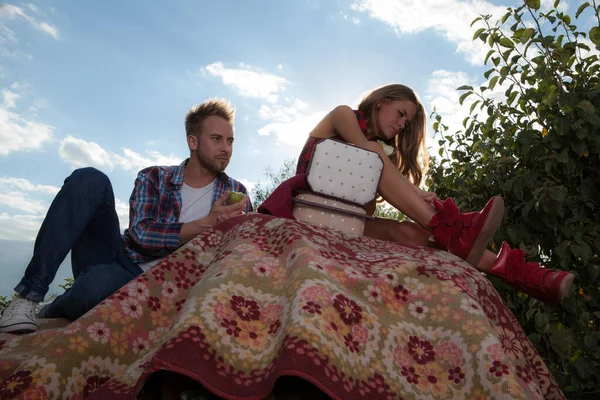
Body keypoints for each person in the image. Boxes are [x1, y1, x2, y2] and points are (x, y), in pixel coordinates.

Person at [294, 83, 574, 304]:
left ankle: (522, 274)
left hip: (344, 219)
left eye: (406, 122)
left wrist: (417, 193)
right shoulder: (343, 115)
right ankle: (452, 229)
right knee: (443, 230)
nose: (401, 125)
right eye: (401, 114)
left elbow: (364, 203)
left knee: (415, 235)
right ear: (382, 102)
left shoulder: (375, 150)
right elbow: (369, 154)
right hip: (309, 206)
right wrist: (413, 190)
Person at [0, 99, 251, 334]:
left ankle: (55, 307)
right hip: (125, 261)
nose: (225, 148)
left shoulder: (236, 194)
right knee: (90, 179)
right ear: (193, 142)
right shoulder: (154, 177)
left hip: (167, 288)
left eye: (230, 141)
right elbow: (141, 235)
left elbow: (235, 257)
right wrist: (206, 223)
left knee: (94, 289)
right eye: (216, 139)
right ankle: (27, 298)